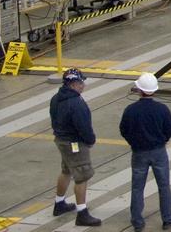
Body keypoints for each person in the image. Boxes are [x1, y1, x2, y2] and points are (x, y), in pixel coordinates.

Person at [119, 73, 171, 232]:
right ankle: (167, 219)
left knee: (137, 187)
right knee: (164, 186)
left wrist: (134, 142)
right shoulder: (162, 109)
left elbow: (123, 130)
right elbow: (169, 129)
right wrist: (162, 140)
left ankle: (137, 221)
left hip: (138, 152)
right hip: (158, 151)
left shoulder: (130, 110)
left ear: (139, 90)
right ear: (154, 90)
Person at [49, 68, 101, 226]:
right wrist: (90, 140)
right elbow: (83, 126)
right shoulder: (76, 103)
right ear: (72, 83)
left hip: (61, 140)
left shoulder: (56, 98)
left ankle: (59, 203)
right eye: (80, 82)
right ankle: (82, 213)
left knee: (66, 171)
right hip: (75, 144)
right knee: (82, 176)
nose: (82, 85)